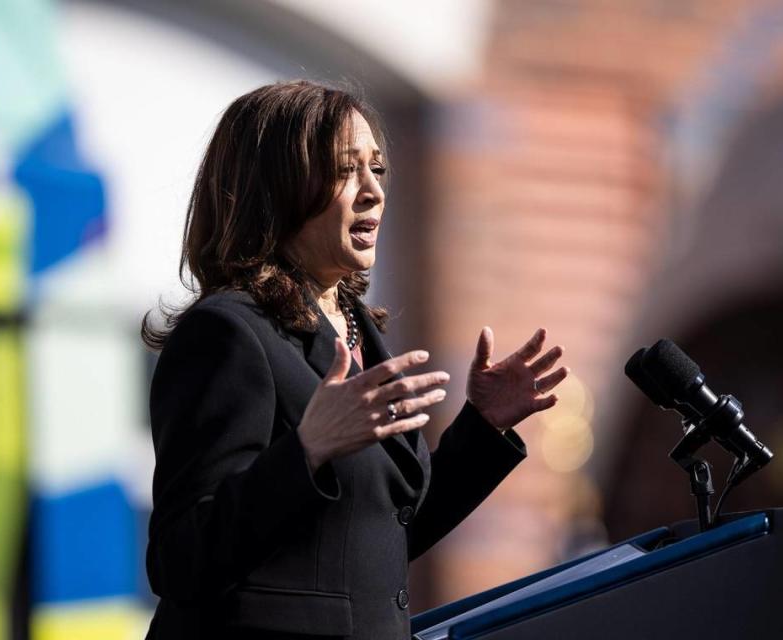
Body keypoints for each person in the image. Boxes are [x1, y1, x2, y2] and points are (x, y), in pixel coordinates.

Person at [141, 81, 569, 640]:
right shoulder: (228, 333)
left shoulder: (355, 330)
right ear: (276, 188)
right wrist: (306, 451)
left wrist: (482, 428)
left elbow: (381, 534)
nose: (373, 192)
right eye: (345, 170)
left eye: (378, 170)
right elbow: (181, 559)